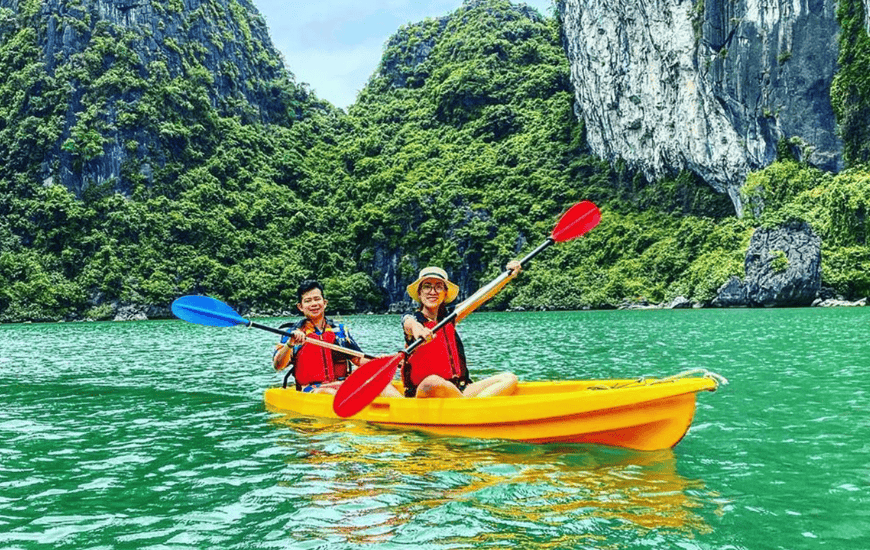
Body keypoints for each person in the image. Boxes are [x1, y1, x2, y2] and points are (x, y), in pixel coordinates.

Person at [401, 264, 520, 398]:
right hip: (426, 392)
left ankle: (468, 408)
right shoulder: (412, 320)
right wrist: (418, 330)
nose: (432, 292)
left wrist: (508, 275)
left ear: (445, 293)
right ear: (419, 292)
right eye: (427, 286)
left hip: (459, 389)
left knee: (509, 378)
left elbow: (482, 296)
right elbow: (408, 323)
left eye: (439, 287)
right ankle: (470, 408)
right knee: (432, 381)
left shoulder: (450, 317)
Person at [274, 279, 402, 397]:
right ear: (300, 307)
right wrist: (290, 344)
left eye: (317, 299)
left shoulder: (339, 331)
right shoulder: (292, 333)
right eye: (308, 301)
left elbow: (358, 359)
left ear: (324, 303)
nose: (313, 304)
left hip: (341, 384)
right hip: (311, 389)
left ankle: (405, 412)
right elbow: (278, 365)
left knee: (381, 384)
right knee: (328, 392)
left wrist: (381, 362)